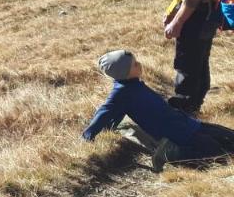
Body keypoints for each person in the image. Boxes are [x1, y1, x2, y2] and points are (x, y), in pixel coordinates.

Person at [83, 49, 234, 170]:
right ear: (124, 73)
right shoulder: (121, 93)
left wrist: (111, 125)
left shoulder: (133, 84)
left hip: (188, 125)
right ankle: (170, 155)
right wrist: (88, 135)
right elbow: (105, 112)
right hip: (178, 135)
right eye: (135, 65)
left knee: (227, 135)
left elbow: (115, 114)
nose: (140, 64)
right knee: (217, 153)